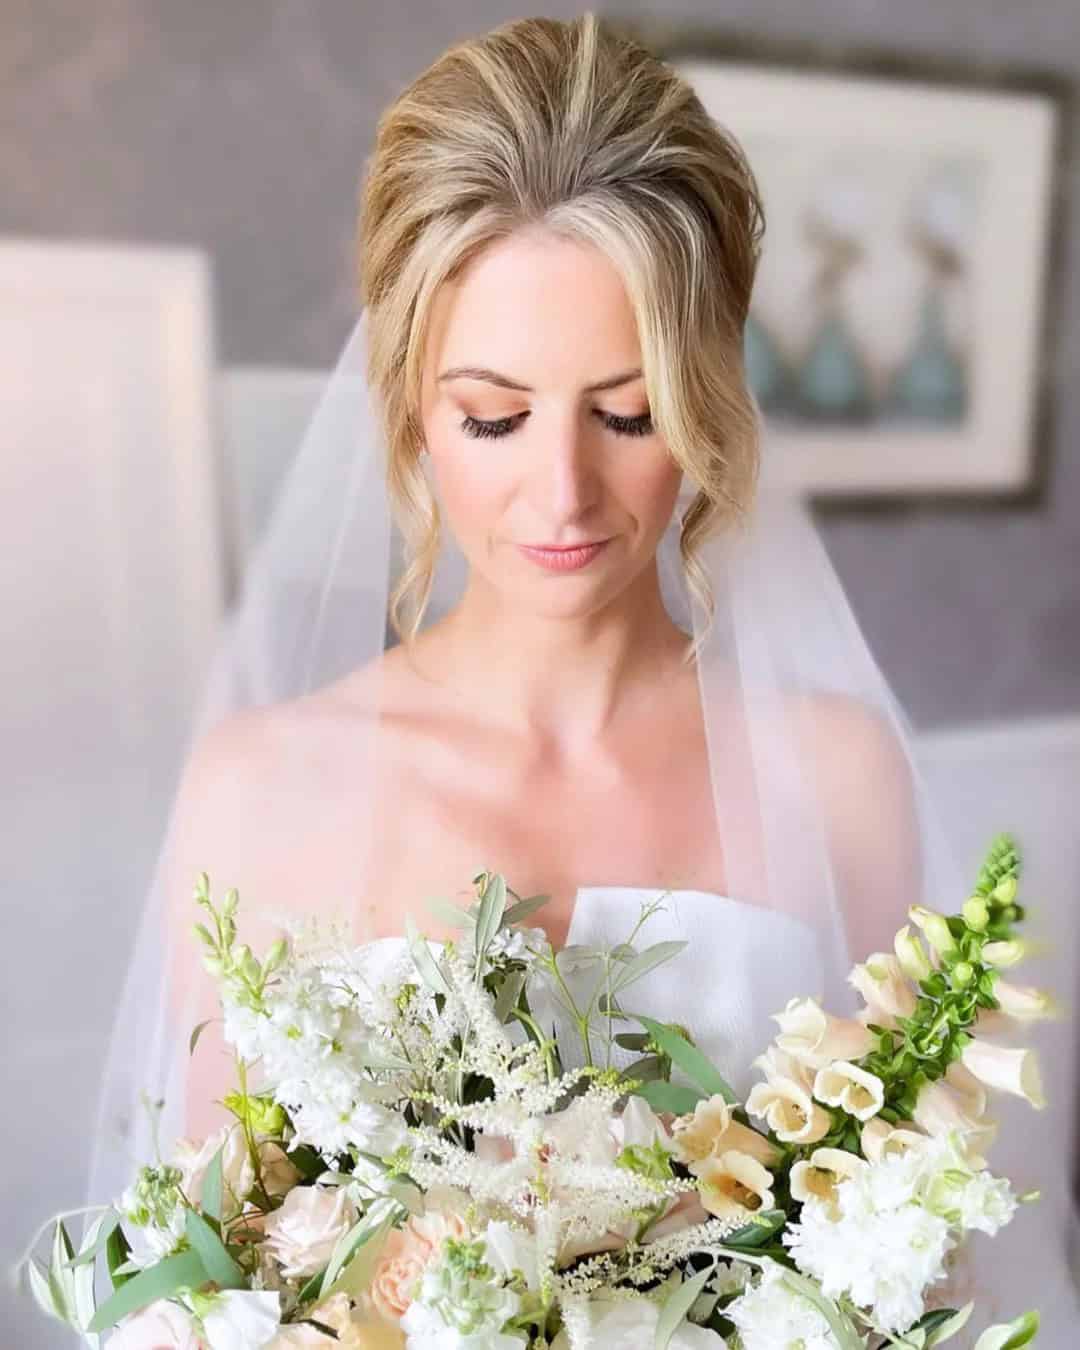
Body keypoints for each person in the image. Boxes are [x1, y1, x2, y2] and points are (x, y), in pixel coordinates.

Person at [88, 13, 1077, 1343]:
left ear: (712, 399)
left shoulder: (836, 771)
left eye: (627, 411)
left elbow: (911, 1261)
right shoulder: (261, 783)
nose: (562, 491)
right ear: (407, 408)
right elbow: (197, 1291)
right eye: (493, 416)